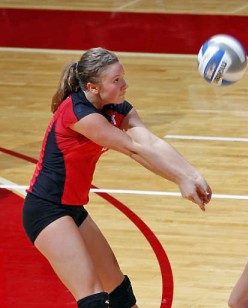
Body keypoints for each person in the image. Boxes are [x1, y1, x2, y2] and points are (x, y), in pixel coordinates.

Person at [22, 47, 212, 307]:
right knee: (93, 297)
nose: (125, 84)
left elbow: (151, 142)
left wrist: (192, 174)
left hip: (73, 209)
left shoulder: (115, 108)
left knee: (119, 289)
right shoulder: (79, 114)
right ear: (93, 86)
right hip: (46, 210)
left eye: (122, 76)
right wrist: (180, 179)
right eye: (116, 80)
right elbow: (133, 149)